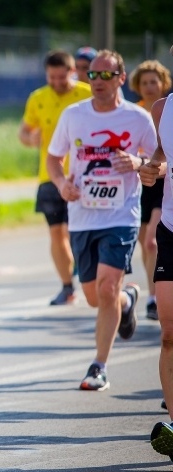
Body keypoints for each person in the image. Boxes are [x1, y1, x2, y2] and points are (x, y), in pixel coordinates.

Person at [47, 50, 158, 392]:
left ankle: (99, 365)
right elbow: (54, 159)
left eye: (105, 76)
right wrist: (62, 183)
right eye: (92, 75)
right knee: (96, 297)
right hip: (82, 216)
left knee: (107, 287)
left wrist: (137, 162)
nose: (97, 81)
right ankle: (128, 301)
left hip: (121, 215)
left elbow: (159, 165)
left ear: (121, 79)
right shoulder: (73, 115)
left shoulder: (138, 118)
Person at [19, 50, 92, 305]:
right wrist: (31, 138)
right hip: (48, 175)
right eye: (52, 77)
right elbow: (24, 132)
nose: (58, 82)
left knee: (76, 232)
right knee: (55, 232)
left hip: (85, 176)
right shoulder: (38, 98)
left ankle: (85, 273)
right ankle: (66, 286)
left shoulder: (87, 93)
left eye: (62, 76)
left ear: (72, 72)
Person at [141, 72, 173, 458]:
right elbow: (163, 156)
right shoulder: (162, 109)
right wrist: (153, 168)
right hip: (170, 228)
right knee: (168, 333)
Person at [129, 60, 172, 320]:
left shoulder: (164, 108)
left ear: (163, 82)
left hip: (162, 185)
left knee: (151, 241)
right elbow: (159, 147)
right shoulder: (136, 112)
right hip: (142, 181)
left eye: (153, 82)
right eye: (144, 83)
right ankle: (152, 292)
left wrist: (155, 165)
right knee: (144, 243)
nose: (149, 87)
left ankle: (155, 298)